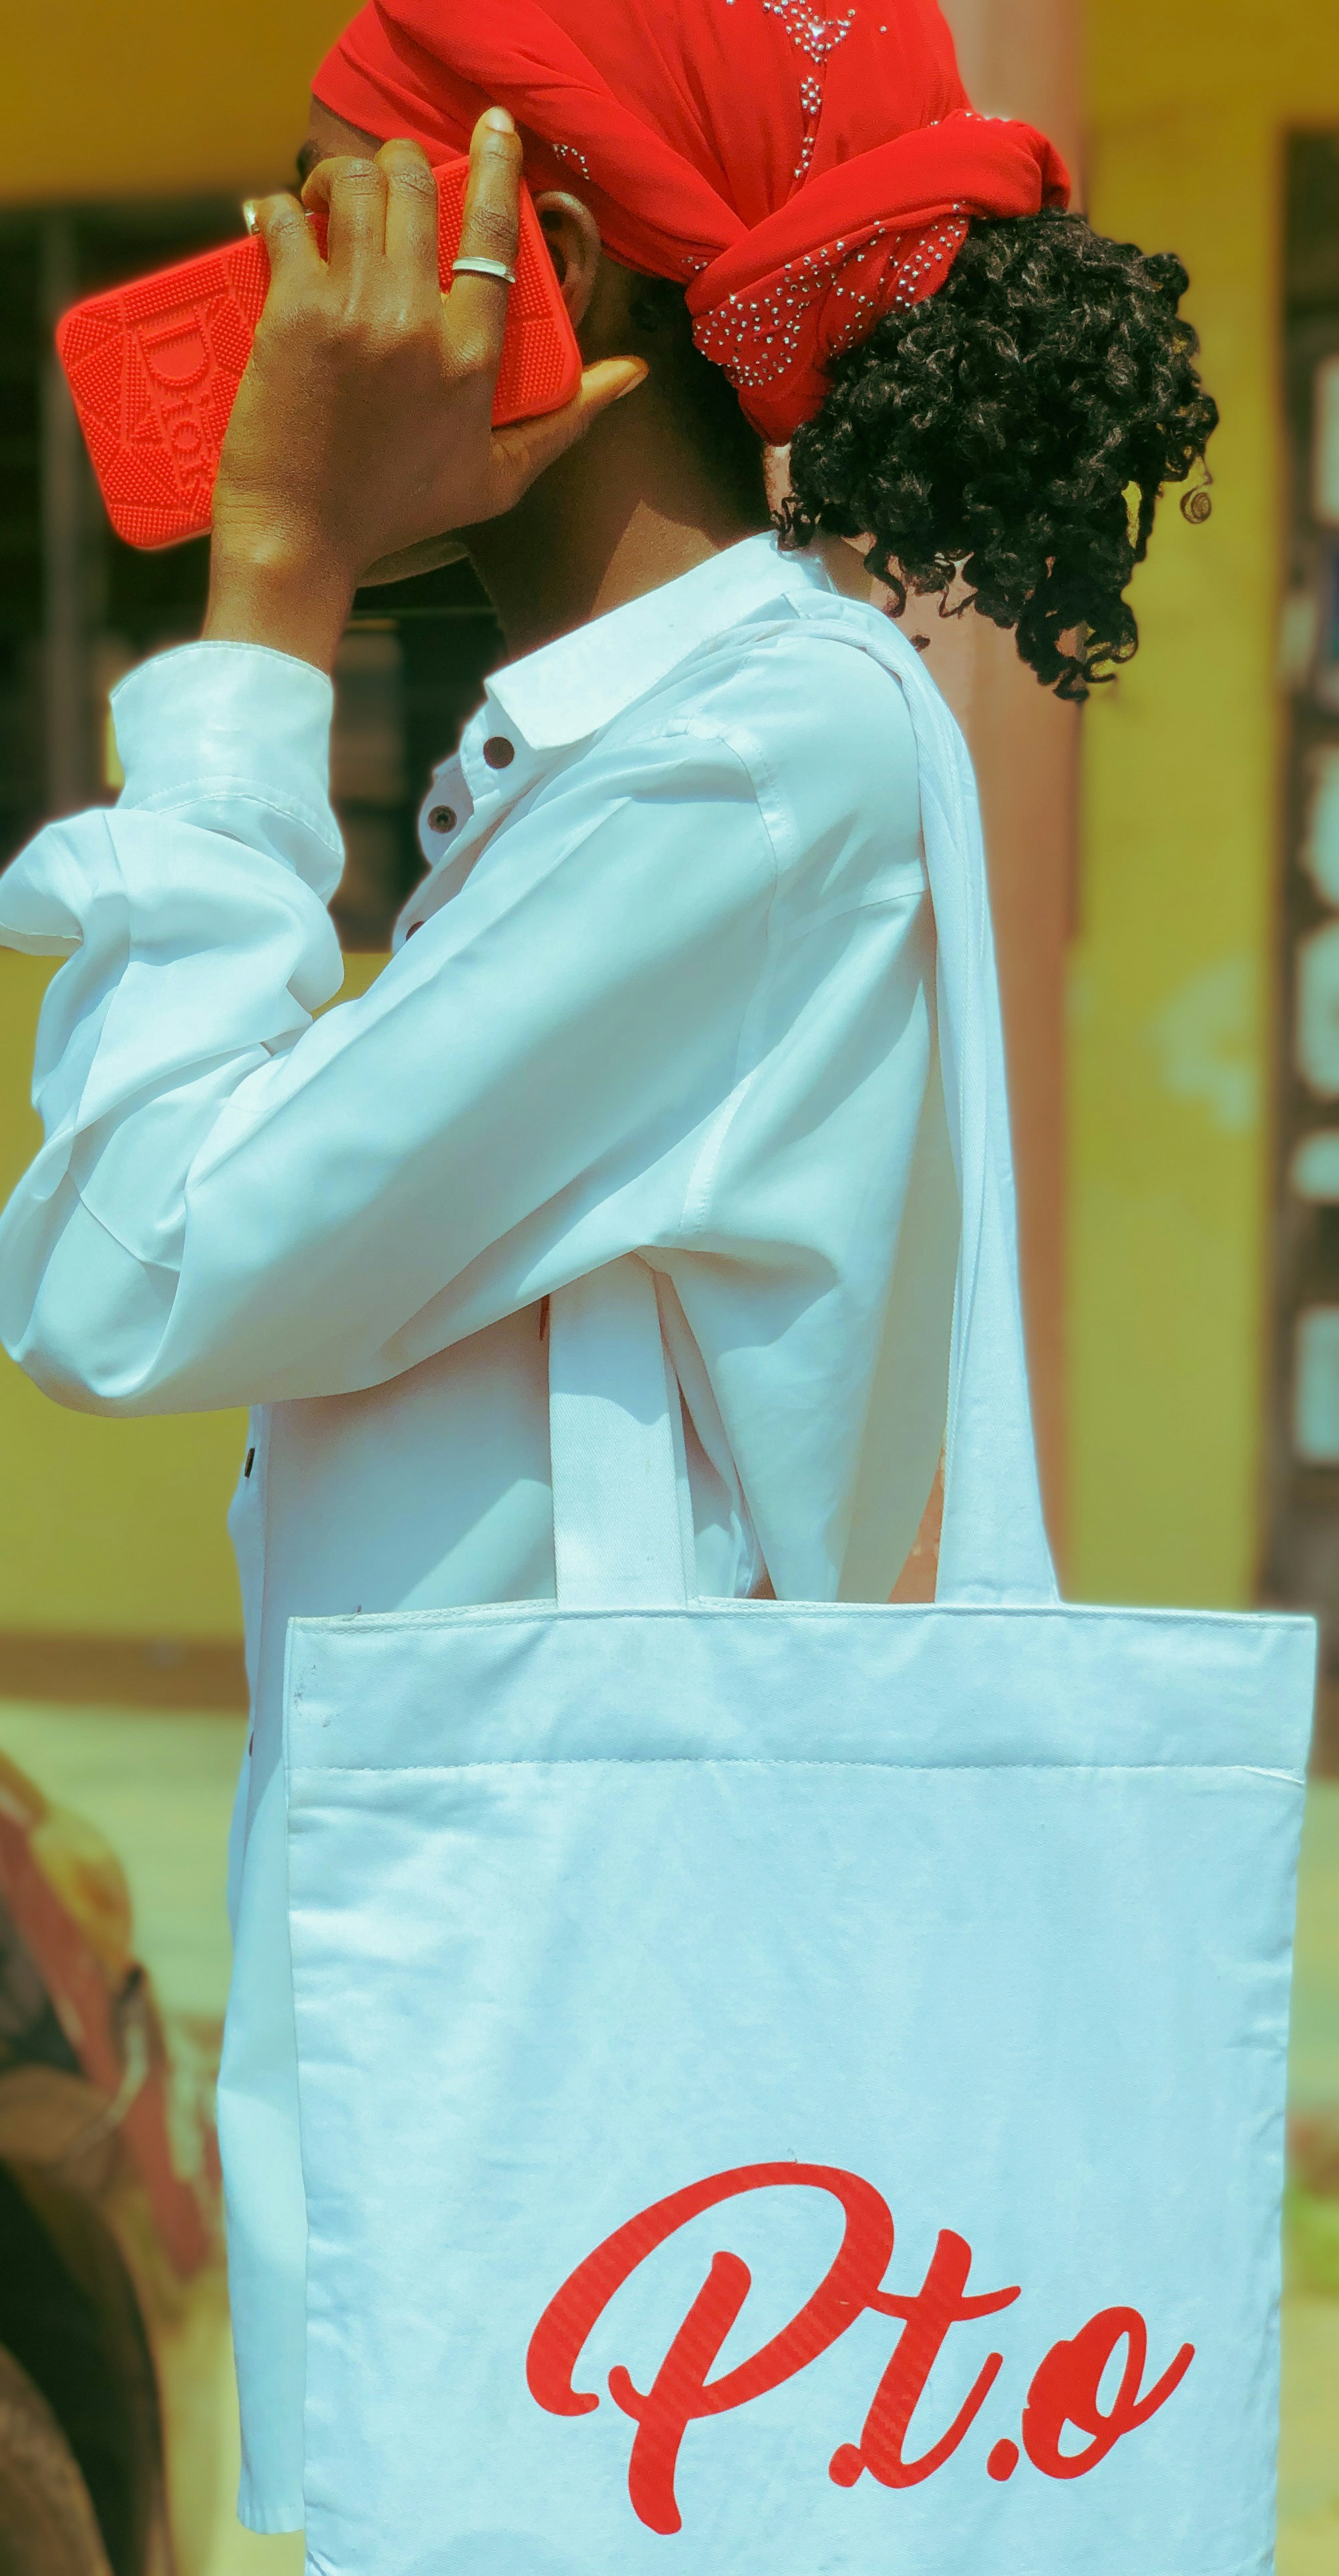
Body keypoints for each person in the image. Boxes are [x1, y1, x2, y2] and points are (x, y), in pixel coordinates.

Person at [0, 0, 1215, 2535]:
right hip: (571, 2084)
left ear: (538, 263)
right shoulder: (634, 761)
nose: (273, 283)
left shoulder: (742, 764)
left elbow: (137, 1263)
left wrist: (267, 586)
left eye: (326, 211)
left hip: (628, 2110)